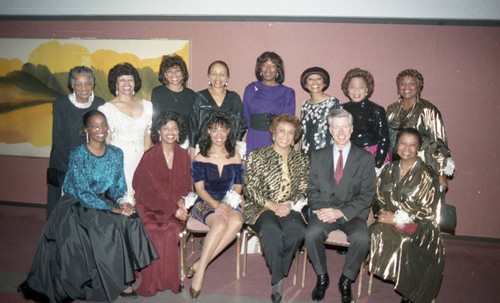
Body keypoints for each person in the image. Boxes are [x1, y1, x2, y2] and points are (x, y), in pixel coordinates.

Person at [18, 110, 158, 303]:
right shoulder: (78, 154)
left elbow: (118, 186)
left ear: (108, 128)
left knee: (132, 218)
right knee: (111, 225)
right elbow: (83, 193)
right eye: (94, 125)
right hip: (77, 204)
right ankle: (120, 282)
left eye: (103, 125)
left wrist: (123, 203)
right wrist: (112, 209)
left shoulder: (116, 153)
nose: (100, 129)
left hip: (104, 199)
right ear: (86, 130)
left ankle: (125, 275)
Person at [305, 109, 376, 303]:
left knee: (362, 238)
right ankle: (322, 277)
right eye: (336, 127)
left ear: (352, 129)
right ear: (330, 130)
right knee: (311, 233)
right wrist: (321, 210)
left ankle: (346, 280)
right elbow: (312, 190)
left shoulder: (365, 158)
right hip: (325, 211)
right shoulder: (318, 155)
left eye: (345, 126)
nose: (341, 131)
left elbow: (366, 195)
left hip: (352, 214)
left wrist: (341, 212)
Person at [369, 128, 444, 303]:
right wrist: (382, 214)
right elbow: (378, 197)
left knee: (404, 241)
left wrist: (397, 218)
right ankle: (399, 278)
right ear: (396, 146)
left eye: (412, 145)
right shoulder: (388, 169)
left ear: (418, 148)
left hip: (420, 225)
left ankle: (410, 291)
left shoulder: (426, 174)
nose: (407, 148)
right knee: (374, 233)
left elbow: (428, 212)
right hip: (388, 222)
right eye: (403, 143)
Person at [243, 114, 309, 303]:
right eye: (281, 131)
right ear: (273, 133)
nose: (285, 136)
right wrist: (272, 206)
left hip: (289, 208)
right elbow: (248, 187)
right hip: (261, 207)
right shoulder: (258, 155)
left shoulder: (301, 159)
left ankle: (278, 268)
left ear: (295, 137)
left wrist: (288, 204)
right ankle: (278, 280)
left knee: (298, 231)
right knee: (271, 232)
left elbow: (304, 186)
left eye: (290, 133)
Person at [132, 110, 191, 297]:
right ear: (159, 131)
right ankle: (152, 281)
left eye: (174, 128)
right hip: (149, 207)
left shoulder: (183, 155)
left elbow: (186, 185)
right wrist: (174, 207)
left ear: (180, 131)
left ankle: (171, 280)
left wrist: (181, 202)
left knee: (171, 230)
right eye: (166, 128)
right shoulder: (149, 156)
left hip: (175, 208)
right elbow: (145, 191)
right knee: (153, 230)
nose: (170, 132)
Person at [188, 111, 244, 300]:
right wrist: (216, 205)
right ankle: (200, 274)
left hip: (228, 200)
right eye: (214, 130)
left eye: (223, 130)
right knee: (220, 224)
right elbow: (199, 189)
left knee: (237, 222)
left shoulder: (235, 156)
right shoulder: (200, 157)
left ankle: (199, 265)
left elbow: (238, 186)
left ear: (229, 132)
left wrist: (227, 204)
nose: (219, 135)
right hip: (205, 201)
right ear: (208, 132)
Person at [46, 66, 105, 218]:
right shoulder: (61, 104)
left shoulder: (100, 104)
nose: (83, 88)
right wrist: (74, 169)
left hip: (92, 164)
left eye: (87, 83)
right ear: (72, 85)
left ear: (93, 84)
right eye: (78, 84)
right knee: (64, 208)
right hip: (64, 162)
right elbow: (58, 139)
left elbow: (101, 135)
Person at [386, 69, 454, 191]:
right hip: (397, 168)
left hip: (423, 168)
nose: (406, 87)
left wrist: (441, 174)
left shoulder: (428, 110)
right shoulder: (392, 110)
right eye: (402, 83)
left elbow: (439, 143)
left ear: (419, 86)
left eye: (411, 83)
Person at [99, 62, 153, 203]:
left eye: (130, 79)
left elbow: (148, 134)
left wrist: (146, 159)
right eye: (122, 79)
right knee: (125, 203)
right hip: (120, 163)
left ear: (135, 82)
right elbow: (107, 141)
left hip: (143, 160)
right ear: (115, 84)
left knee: (143, 202)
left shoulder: (147, 106)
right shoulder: (107, 109)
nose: (126, 83)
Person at [189, 60, 246, 158]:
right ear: (209, 76)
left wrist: (235, 151)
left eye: (222, 74)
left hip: (228, 150)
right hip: (203, 151)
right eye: (214, 74)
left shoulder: (234, 98)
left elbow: (240, 126)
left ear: (227, 77)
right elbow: (193, 128)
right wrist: (192, 157)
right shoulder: (200, 97)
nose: (218, 78)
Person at [243, 51, 295, 157]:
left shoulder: (287, 93)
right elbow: (246, 115)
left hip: (277, 140)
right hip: (254, 137)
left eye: (273, 66)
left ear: (278, 70)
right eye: (264, 65)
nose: (268, 69)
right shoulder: (251, 89)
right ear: (260, 68)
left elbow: (288, 121)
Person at [341, 67, 390, 171]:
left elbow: (384, 139)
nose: (356, 90)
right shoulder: (342, 109)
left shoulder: (377, 110)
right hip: (350, 155)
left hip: (373, 154)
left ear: (367, 89)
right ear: (347, 89)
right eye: (352, 86)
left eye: (361, 86)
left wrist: (377, 163)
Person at [300, 66, 342, 158]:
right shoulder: (305, 105)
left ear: (324, 82)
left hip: (326, 155)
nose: (314, 82)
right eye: (310, 79)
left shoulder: (333, 103)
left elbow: (340, 131)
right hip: (307, 154)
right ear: (306, 83)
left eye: (318, 78)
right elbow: (303, 133)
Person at [151, 54, 196, 141]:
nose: (174, 74)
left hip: (184, 143)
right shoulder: (157, 92)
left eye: (177, 70)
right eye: (169, 71)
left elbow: (193, 126)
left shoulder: (191, 95)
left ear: (183, 74)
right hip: (163, 141)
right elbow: (154, 121)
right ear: (165, 75)